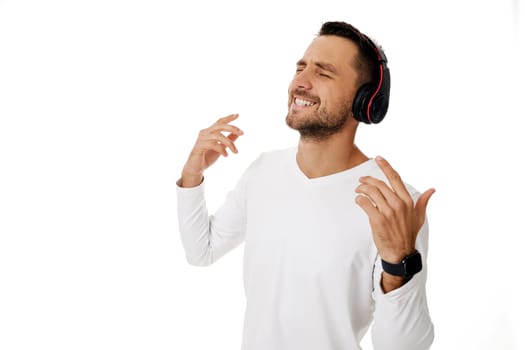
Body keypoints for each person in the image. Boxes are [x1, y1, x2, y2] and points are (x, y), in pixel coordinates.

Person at [177, 21, 435, 350]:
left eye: (323, 73)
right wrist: (191, 176)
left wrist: (398, 265)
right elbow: (203, 251)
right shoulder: (264, 171)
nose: (300, 82)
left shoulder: (393, 203)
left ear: (364, 101)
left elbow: (401, 347)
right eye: (301, 67)